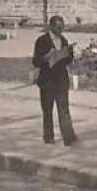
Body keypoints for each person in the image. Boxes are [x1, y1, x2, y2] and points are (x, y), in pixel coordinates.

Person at [31, 15, 78, 147]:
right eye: (58, 28)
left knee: (64, 109)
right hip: (47, 81)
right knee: (47, 110)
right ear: (51, 27)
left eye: (62, 27)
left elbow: (68, 60)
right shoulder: (42, 41)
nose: (61, 30)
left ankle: (68, 137)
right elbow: (35, 61)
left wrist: (68, 53)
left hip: (61, 80)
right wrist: (46, 59)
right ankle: (48, 136)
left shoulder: (63, 40)